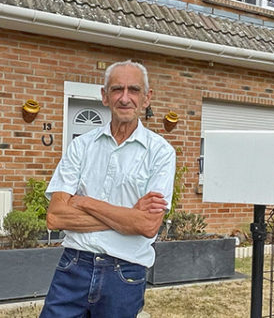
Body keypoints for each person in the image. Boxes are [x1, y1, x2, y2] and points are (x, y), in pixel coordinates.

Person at [40, 60, 177, 318]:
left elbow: (148, 226)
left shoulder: (161, 153)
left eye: (133, 90)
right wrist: (128, 217)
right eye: (117, 90)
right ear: (104, 96)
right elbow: (55, 216)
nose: (125, 98)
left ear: (147, 98)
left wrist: (83, 202)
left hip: (124, 273)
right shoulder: (81, 146)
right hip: (73, 265)